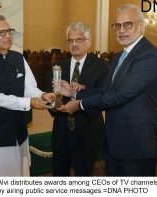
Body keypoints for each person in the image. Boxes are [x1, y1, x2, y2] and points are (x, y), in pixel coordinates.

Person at [57, 4, 157, 176]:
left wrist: (80, 104)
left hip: (136, 145)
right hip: (114, 144)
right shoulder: (119, 57)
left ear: (141, 26)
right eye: (117, 26)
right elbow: (105, 90)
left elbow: (121, 95)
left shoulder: (150, 55)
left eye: (127, 24)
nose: (121, 30)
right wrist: (73, 93)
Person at [0, 15, 54, 176]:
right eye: (1, 32)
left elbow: (28, 86)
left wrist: (42, 95)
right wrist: (29, 102)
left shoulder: (18, 57)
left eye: (9, 31)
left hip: (18, 130)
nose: (8, 35)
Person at [47, 22, 108, 176]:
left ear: (89, 41)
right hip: (61, 131)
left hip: (87, 131)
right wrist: (55, 105)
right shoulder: (58, 66)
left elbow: (103, 96)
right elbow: (51, 96)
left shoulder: (101, 66)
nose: (74, 44)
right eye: (70, 40)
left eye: (79, 39)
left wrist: (79, 93)